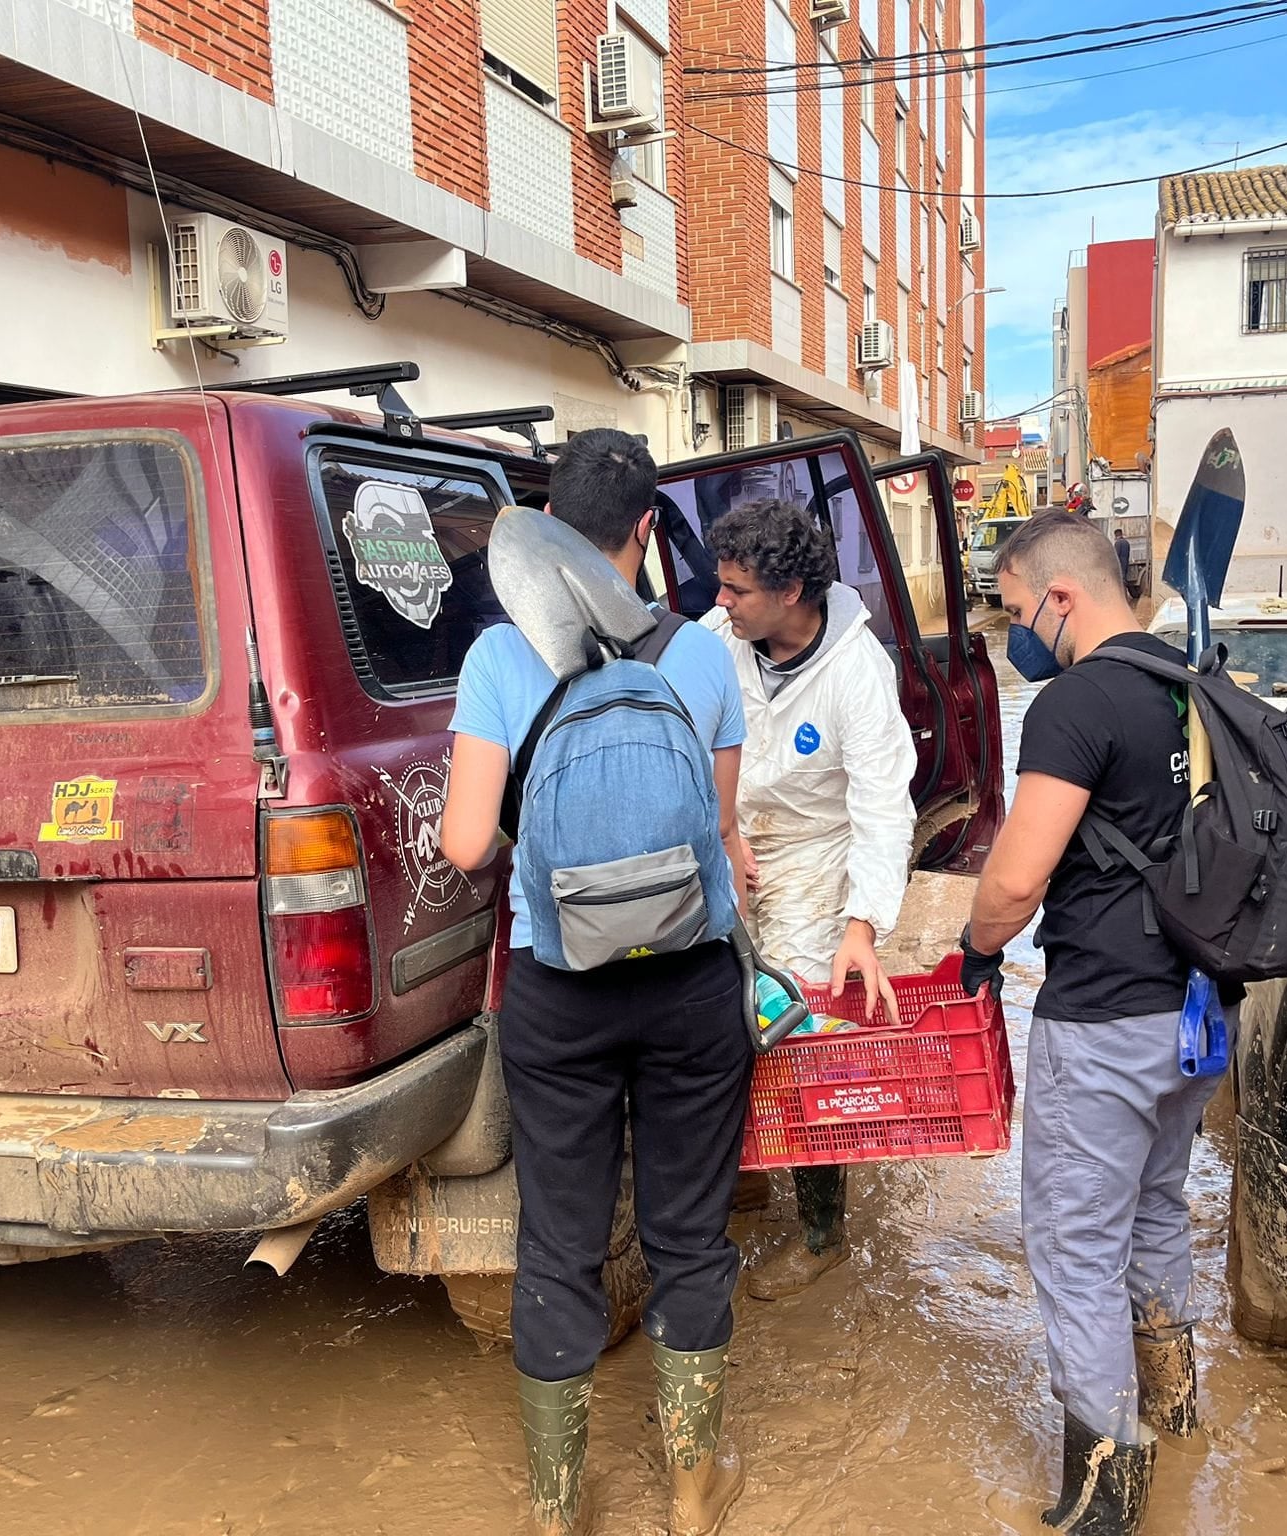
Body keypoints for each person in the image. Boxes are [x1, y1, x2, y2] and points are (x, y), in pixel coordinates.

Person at [439, 430, 752, 1536]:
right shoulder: (704, 655)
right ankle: (687, 1491)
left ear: (546, 533)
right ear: (644, 533)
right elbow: (717, 834)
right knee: (687, 1236)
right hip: (690, 988)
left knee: (560, 1244)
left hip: (557, 991)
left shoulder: (492, 660)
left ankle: (557, 1506)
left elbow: (468, 843)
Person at [957, 511, 1223, 1536]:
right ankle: (1174, 1404)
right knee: (1155, 1210)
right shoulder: (1193, 683)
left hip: (1104, 1019)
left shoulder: (1074, 703)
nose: (1015, 630)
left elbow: (1016, 877)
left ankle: (1105, 1495)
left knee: (1072, 1247)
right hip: (1198, 1015)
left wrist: (979, 949)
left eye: (1016, 609)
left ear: (1058, 597)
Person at [699, 498, 917, 1301]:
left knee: (793, 1031)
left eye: (736, 590)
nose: (720, 602)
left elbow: (882, 809)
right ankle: (747, 1172)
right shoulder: (720, 641)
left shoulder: (857, 672)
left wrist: (861, 928)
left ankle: (823, 1230)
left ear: (790, 590)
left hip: (817, 858)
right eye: (719, 587)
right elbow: (687, 741)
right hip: (730, 840)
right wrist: (719, 830)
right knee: (710, 1008)